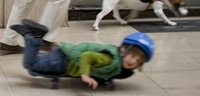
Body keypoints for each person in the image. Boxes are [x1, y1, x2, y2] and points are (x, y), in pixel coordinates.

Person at [11, 19, 155, 90]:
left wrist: (103, 79)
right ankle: (33, 38)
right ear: (124, 51)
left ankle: (31, 36)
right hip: (64, 62)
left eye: (138, 61)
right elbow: (87, 57)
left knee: (34, 67)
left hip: (63, 57)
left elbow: (102, 70)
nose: (133, 61)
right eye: (133, 55)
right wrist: (85, 75)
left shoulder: (118, 63)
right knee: (30, 66)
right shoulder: (110, 59)